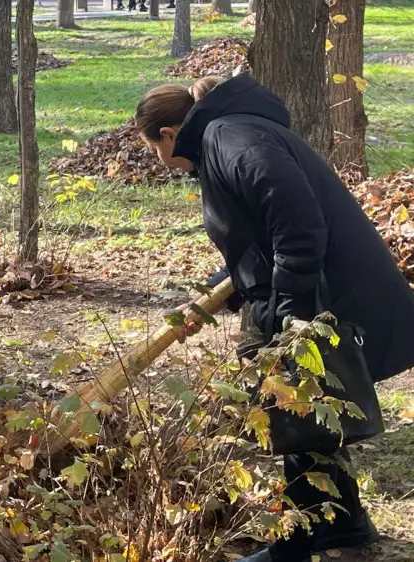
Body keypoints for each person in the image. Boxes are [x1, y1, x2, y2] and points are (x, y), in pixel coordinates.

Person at [135, 73, 414, 562]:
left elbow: (299, 225)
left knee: (294, 414)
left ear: (167, 135)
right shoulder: (232, 133)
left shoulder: (229, 137)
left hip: (324, 294)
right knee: (308, 416)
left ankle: (296, 546)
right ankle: (344, 527)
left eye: (153, 149)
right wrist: (209, 296)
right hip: (316, 291)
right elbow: (258, 243)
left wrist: (288, 316)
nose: (161, 163)